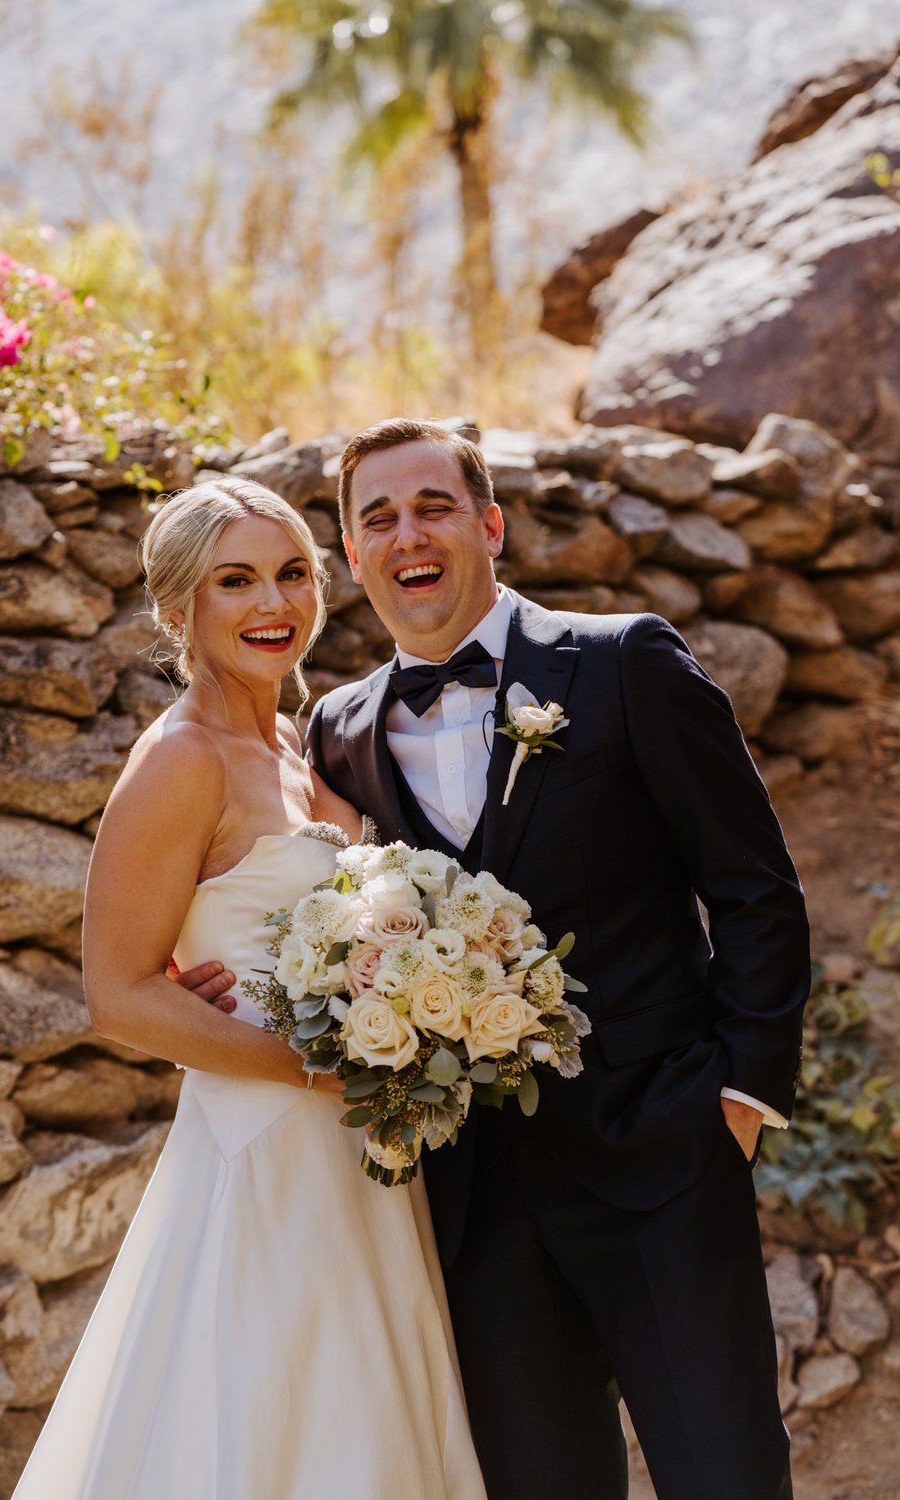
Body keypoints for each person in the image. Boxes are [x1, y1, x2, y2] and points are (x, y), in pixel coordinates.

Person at [300, 419, 810, 1500]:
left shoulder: (625, 661)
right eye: (376, 518)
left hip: (660, 1156)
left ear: (490, 525)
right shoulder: (336, 730)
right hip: (473, 1200)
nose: (408, 536)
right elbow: (326, 918)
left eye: (433, 506)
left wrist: (738, 1095)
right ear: (352, 554)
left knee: (725, 1476)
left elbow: (754, 889)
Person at [11, 477, 487, 1500]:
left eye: (290, 575)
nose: (274, 604)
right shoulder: (180, 760)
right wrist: (327, 1076)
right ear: (179, 607)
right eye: (236, 581)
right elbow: (120, 995)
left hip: (359, 1149)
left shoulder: (299, 746)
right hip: (267, 1146)